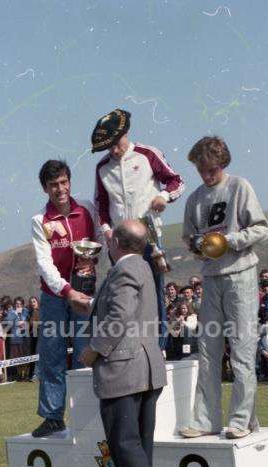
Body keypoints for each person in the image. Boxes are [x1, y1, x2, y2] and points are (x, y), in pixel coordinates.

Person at [79, 220, 170, 467]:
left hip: (123, 367)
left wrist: (93, 349)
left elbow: (119, 316)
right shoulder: (143, 267)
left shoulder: (123, 271)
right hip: (146, 368)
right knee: (140, 444)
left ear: (116, 241)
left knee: (123, 444)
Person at [180, 136, 268, 439]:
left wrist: (229, 241)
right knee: (208, 350)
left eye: (212, 170)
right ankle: (206, 420)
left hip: (241, 274)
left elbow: (260, 227)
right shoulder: (194, 199)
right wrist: (197, 245)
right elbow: (189, 237)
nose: (207, 176)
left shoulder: (239, 187)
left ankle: (241, 420)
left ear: (223, 163)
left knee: (242, 350)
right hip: (210, 277)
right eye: (202, 170)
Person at [91, 108, 184, 347]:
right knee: (125, 295)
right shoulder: (102, 167)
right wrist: (106, 230)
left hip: (149, 237)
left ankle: (158, 348)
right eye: (108, 146)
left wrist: (164, 196)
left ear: (126, 132)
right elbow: (101, 205)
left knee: (154, 293)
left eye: (116, 143)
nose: (113, 150)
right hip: (119, 243)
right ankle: (131, 347)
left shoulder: (147, 154)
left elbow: (176, 181)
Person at [31, 159, 100, 438]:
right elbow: (44, 264)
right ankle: (52, 416)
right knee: (51, 353)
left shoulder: (87, 208)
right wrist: (66, 290)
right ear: (45, 189)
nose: (60, 189)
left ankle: (87, 414)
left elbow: (101, 243)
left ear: (69, 181)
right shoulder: (40, 221)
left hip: (85, 291)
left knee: (86, 351)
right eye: (53, 185)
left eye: (63, 182)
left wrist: (93, 261)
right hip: (54, 296)